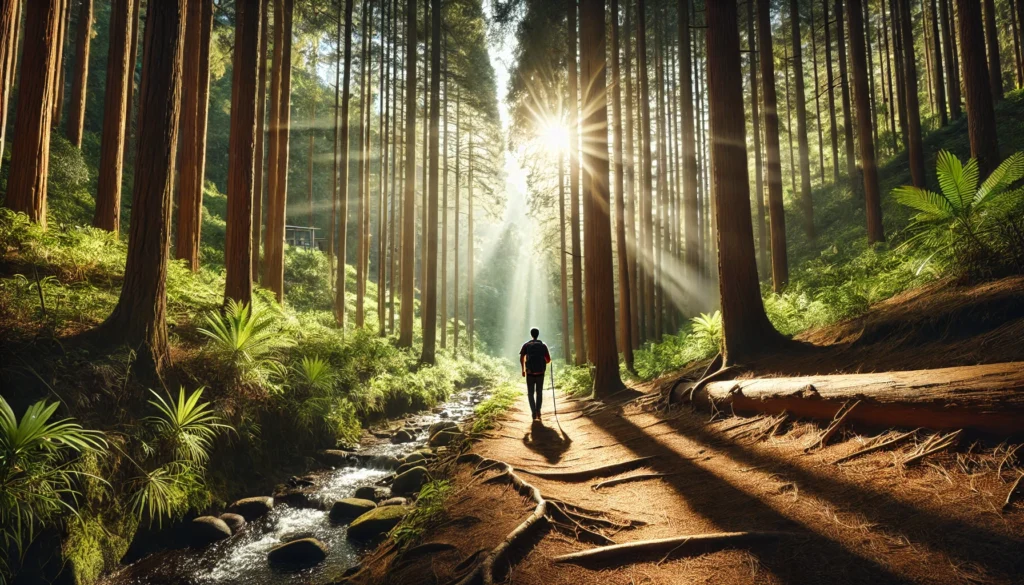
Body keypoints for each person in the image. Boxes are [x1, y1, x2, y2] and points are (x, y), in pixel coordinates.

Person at [519, 328, 551, 421]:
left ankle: (533, 412)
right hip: (540, 372)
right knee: (539, 392)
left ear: (531, 334)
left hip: (530, 373)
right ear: (538, 334)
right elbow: (548, 360)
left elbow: (521, 358)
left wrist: (523, 370)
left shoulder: (526, 345)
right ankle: (538, 411)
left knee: (530, 393)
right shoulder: (543, 345)